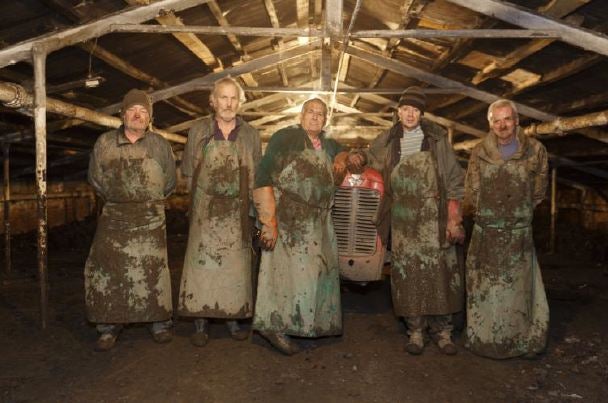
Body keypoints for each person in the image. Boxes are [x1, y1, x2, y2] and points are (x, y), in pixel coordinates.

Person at [351, 86, 465, 355]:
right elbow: (370, 156)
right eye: (405, 109)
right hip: (403, 217)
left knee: (440, 273)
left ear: (422, 113)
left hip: (433, 215)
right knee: (407, 274)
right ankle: (415, 332)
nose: (410, 114)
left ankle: (443, 332)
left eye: (415, 110)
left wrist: (453, 218)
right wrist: (357, 156)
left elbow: (453, 179)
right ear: (398, 112)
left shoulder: (437, 138)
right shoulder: (389, 139)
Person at [252, 98, 347, 355]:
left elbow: (351, 154)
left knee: (311, 278)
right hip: (288, 217)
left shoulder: (328, 144)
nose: (315, 117)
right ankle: (272, 325)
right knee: (281, 275)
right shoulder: (284, 138)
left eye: (321, 114)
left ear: (325, 120)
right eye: (310, 112)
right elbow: (262, 177)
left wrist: (343, 157)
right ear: (301, 115)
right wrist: (268, 222)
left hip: (318, 222)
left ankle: (304, 324)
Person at [85, 89, 176, 352]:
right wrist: (121, 200)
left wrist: (147, 201)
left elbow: (169, 182)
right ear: (123, 114)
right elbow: (96, 180)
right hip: (115, 217)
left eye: (143, 112)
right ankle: (109, 326)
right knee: (108, 270)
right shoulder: (104, 143)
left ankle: (159, 321)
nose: (138, 115)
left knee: (153, 271)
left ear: (149, 118)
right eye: (133, 110)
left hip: (151, 217)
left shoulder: (159, 144)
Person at [178, 77, 262, 347]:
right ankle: (200, 321)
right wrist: (199, 206)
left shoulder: (250, 134)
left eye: (233, 98)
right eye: (223, 98)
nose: (228, 103)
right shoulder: (198, 131)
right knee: (202, 266)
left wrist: (254, 212)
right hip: (205, 209)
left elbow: (257, 176)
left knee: (235, 268)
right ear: (213, 101)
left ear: (240, 102)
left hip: (237, 211)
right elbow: (189, 171)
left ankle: (233, 317)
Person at [464, 99, 549, 359]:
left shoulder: (535, 150)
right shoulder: (480, 151)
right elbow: (472, 189)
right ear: (490, 123)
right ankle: (485, 338)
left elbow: (539, 189)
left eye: (507, 119)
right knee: (486, 288)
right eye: (496, 120)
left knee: (518, 290)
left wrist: (518, 214)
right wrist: (486, 216)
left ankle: (519, 340)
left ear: (516, 120)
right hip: (487, 231)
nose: (502, 125)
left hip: (518, 232)